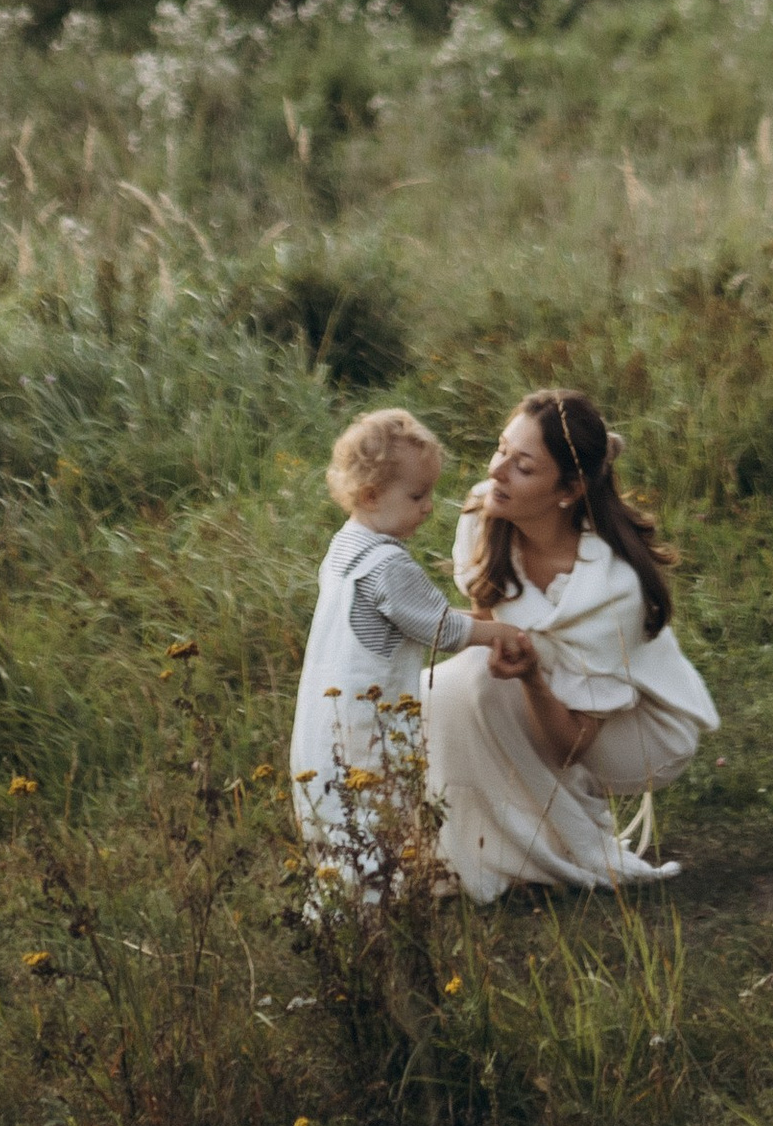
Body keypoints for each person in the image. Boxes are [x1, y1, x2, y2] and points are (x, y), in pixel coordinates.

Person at [421, 385, 719, 900]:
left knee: (476, 692)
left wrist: (532, 677)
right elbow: (488, 629)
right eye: (500, 449)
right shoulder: (483, 514)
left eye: (524, 466)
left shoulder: (610, 587)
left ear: (570, 489)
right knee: (445, 689)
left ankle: (559, 850)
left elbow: (570, 743)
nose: (496, 471)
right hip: (557, 691)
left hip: (638, 731)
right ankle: (496, 851)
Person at [290, 406, 533, 895]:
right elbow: (441, 629)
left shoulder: (345, 548)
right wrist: (498, 633)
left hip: (324, 715)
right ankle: (374, 910)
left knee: (340, 823)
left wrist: (482, 623)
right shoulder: (389, 566)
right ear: (370, 495)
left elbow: (415, 618)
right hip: (367, 724)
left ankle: (342, 906)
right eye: (417, 495)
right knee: (376, 812)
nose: (428, 507)